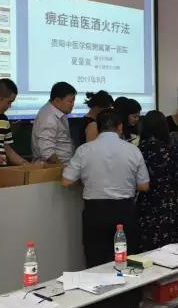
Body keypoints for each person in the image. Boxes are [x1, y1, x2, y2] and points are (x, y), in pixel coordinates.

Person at [62, 110, 149, 267]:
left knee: (96, 260)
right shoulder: (133, 150)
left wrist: (88, 182)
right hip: (124, 210)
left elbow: (66, 181)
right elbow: (144, 186)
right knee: (126, 260)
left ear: (98, 128)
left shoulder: (84, 150)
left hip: (95, 211)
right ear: (120, 127)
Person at [136, 111, 178, 251]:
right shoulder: (170, 150)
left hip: (146, 205)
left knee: (147, 247)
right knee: (170, 248)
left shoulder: (138, 150)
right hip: (168, 205)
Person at [31, 82, 77, 164]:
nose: (73, 104)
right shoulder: (49, 118)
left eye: (73, 101)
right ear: (57, 100)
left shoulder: (59, 112)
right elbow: (48, 154)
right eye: (70, 101)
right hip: (55, 167)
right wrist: (63, 168)